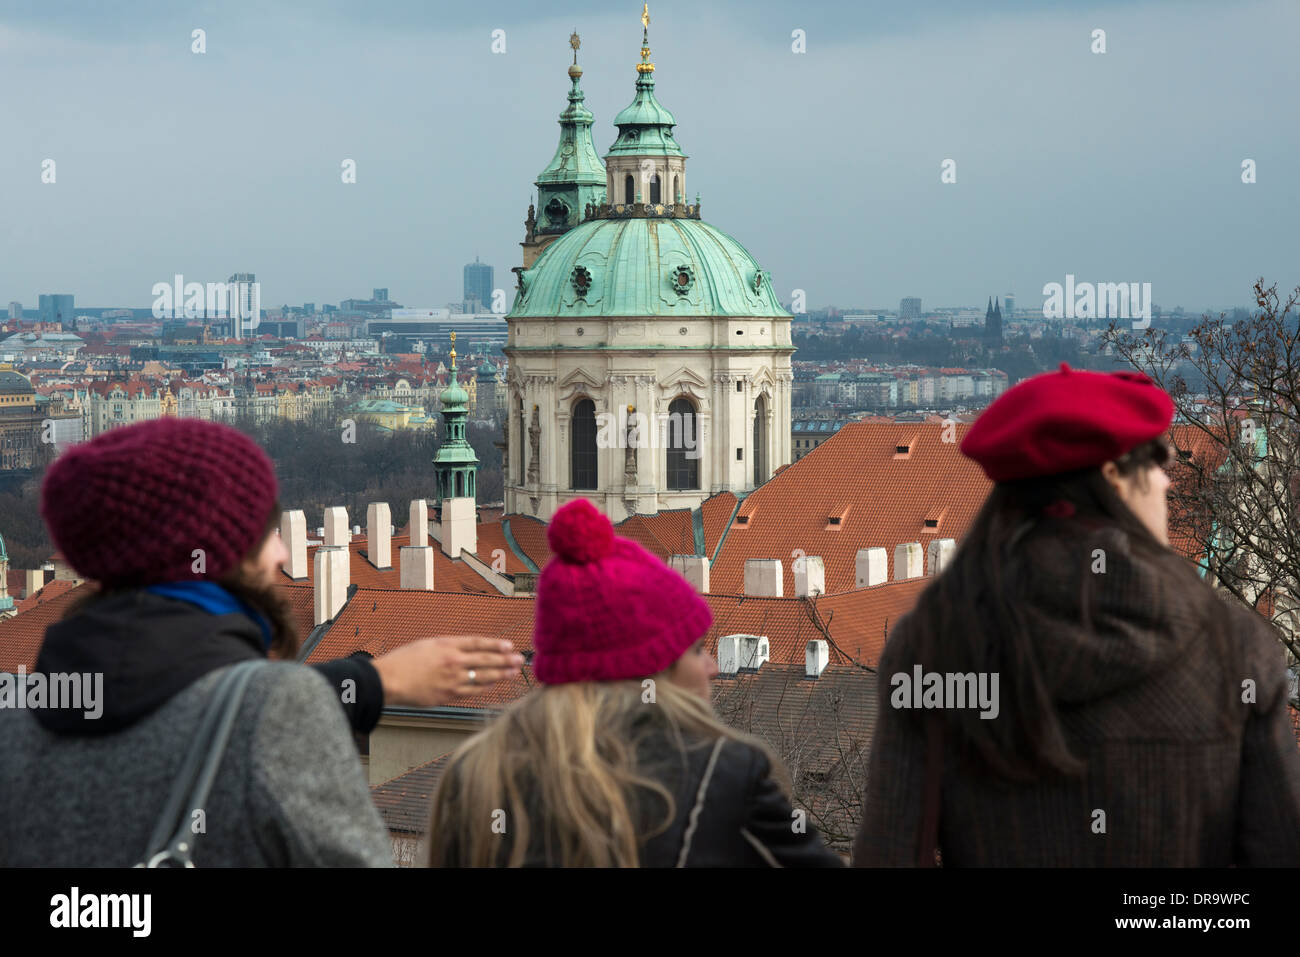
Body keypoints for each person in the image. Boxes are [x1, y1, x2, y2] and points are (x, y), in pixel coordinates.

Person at [0, 417, 520, 866]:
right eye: (264, 533)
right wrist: (316, 700)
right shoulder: (279, 716)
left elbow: (177, 701)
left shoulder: (24, 717)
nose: (283, 556)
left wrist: (364, 682)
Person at [853, 363, 1300, 866]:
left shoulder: (936, 645)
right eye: (1155, 461)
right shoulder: (1233, 648)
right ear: (1113, 476)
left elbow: (888, 854)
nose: (1167, 483)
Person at [428, 497, 843, 867]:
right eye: (696, 649)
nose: (713, 667)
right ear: (650, 671)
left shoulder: (475, 779)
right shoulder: (723, 779)